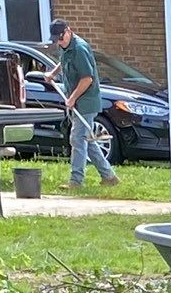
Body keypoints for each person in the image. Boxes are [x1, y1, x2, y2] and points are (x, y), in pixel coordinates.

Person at [48, 17, 120, 189]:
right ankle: (109, 176)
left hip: (86, 102)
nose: (59, 42)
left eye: (61, 37)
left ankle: (76, 181)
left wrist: (72, 98)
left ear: (68, 31)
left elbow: (87, 79)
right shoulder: (66, 47)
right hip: (77, 101)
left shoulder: (80, 49)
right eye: (56, 39)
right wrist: (53, 73)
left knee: (77, 138)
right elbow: (64, 61)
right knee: (87, 139)